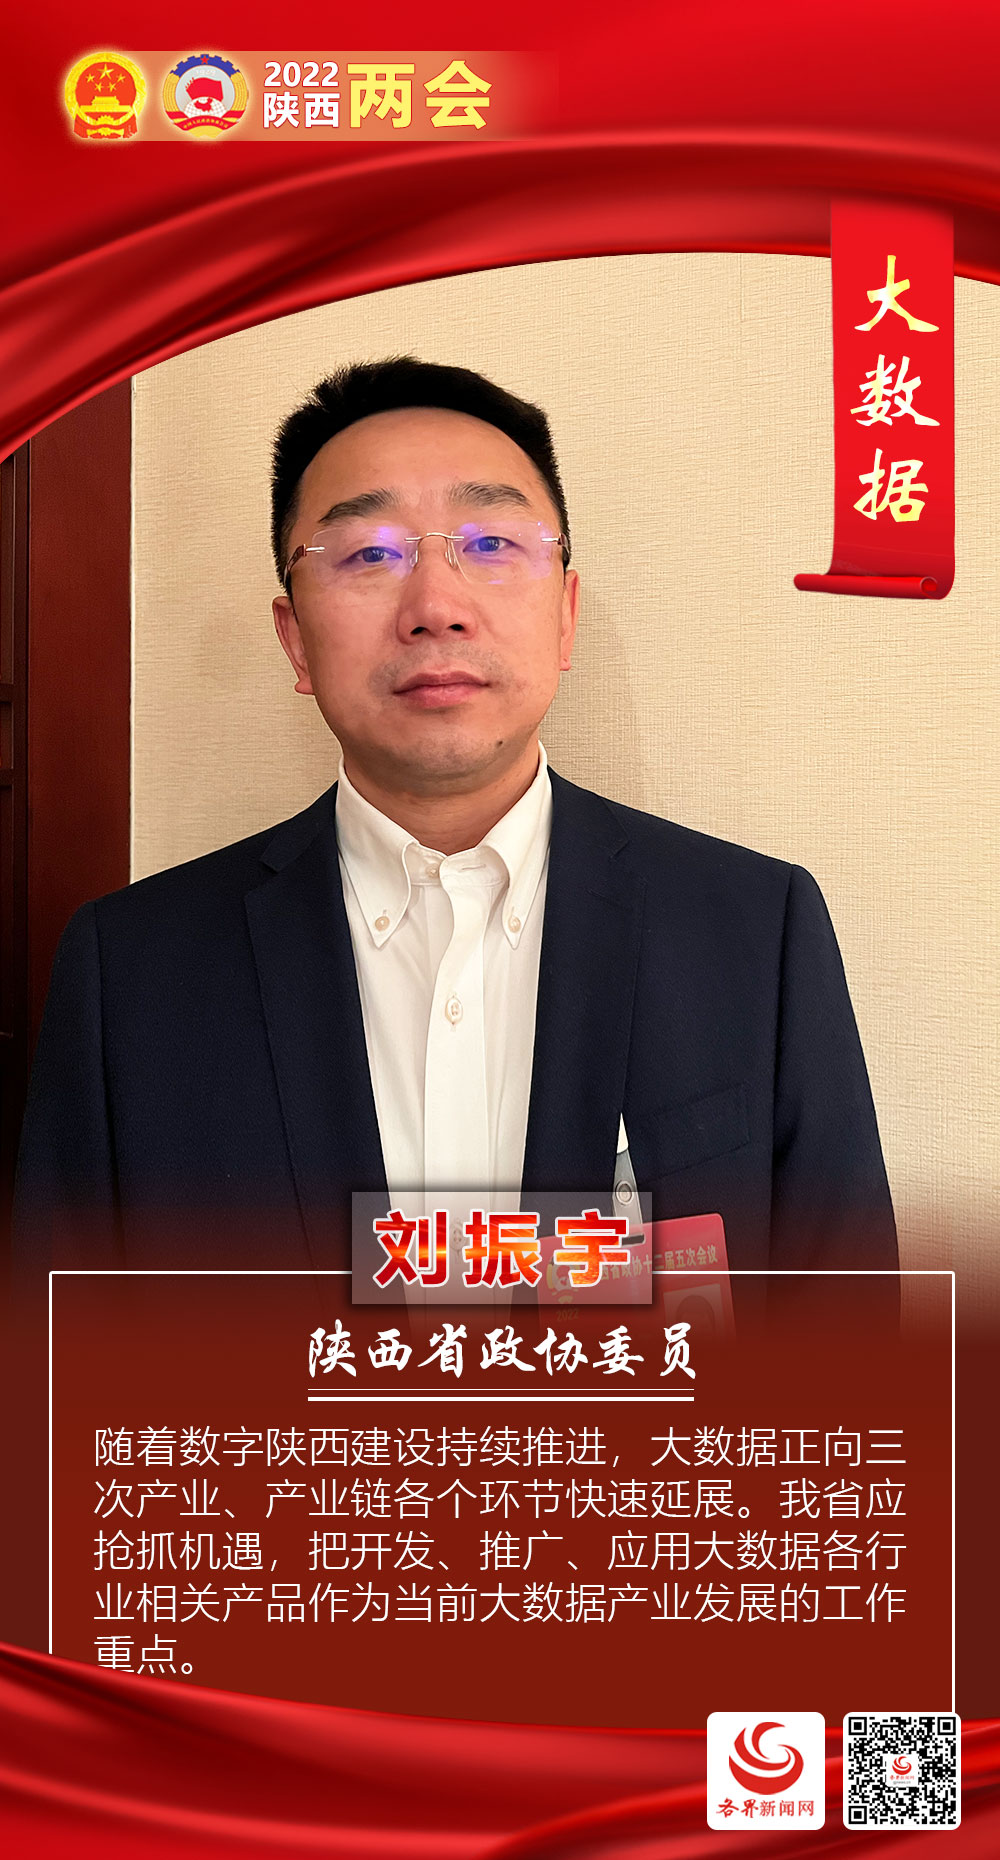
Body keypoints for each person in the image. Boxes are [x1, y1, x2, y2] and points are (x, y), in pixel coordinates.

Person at [13, 357, 897, 1280]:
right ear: (295, 639)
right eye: (367, 553)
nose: (436, 607)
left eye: (492, 543)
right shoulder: (130, 972)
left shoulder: (755, 931)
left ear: (566, 615)